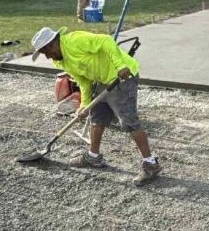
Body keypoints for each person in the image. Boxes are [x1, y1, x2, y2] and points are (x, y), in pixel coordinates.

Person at [30, 26, 160, 185]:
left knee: (129, 122)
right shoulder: (62, 60)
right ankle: (93, 156)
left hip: (122, 77)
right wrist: (84, 105)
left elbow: (106, 40)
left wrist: (120, 65)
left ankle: (150, 163)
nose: (48, 57)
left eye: (45, 52)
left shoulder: (75, 40)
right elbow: (83, 81)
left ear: (51, 44)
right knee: (97, 117)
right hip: (102, 80)